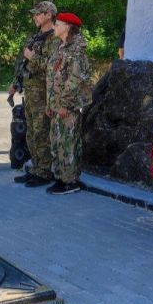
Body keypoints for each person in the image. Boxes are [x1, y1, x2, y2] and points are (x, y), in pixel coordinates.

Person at [12, 1, 61, 187]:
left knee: (42, 132)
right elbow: (22, 63)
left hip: (43, 92)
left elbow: (53, 66)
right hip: (30, 91)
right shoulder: (34, 38)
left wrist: (33, 57)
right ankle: (36, 168)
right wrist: (15, 83)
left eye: (38, 14)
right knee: (31, 132)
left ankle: (45, 171)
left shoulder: (55, 38)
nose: (35, 17)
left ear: (49, 15)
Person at [45, 11, 92, 195]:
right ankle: (60, 178)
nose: (54, 27)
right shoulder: (61, 48)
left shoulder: (77, 51)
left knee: (68, 144)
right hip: (57, 106)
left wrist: (64, 104)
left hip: (68, 107)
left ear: (67, 27)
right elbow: (52, 78)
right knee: (57, 141)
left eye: (57, 24)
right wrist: (50, 104)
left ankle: (71, 181)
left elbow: (75, 80)